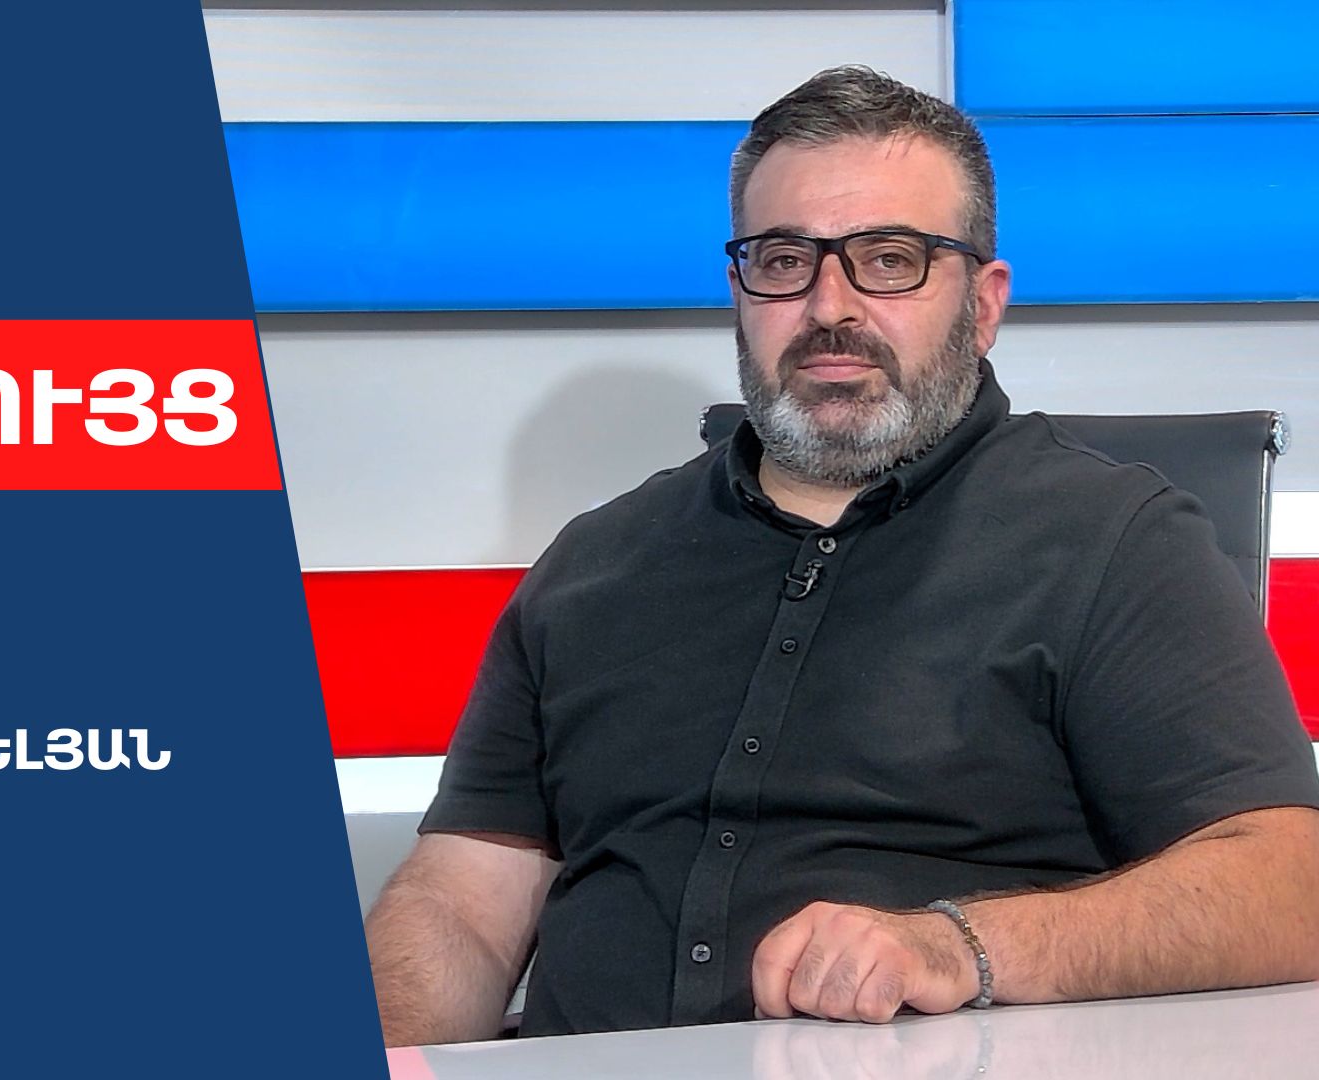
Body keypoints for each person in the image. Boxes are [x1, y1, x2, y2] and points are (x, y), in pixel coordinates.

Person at [363, 66, 1319, 1046]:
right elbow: (462, 904)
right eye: (784, 260)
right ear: (740, 291)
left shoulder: (1117, 542)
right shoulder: (592, 564)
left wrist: (960, 947)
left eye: (890, 259)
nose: (830, 305)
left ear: (984, 303)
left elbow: (1290, 884)